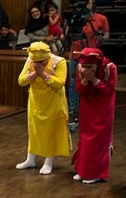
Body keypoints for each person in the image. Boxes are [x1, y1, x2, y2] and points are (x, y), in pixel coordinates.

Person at [16, 42, 70, 174]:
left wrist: (43, 73)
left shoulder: (59, 61)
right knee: (34, 129)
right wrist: (35, 73)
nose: (38, 63)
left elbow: (60, 83)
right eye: (36, 61)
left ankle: (48, 162)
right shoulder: (30, 61)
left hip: (54, 101)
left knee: (51, 131)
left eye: (41, 61)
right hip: (36, 101)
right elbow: (21, 81)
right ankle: (30, 159)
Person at [72, 48, 116, 184]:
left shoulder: (110, 68)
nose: (85, 69)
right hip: (87, 105)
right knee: (85, 138)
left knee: (98, 140)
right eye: (83, 66)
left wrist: (94, 79)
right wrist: (86, 79)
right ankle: (83, 170)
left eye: (89, 67)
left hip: (103, 107)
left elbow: (109, 91)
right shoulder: (80, 68)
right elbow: (79, 89)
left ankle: (96, 173)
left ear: (97, 64)